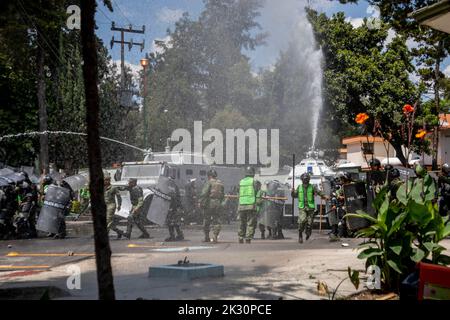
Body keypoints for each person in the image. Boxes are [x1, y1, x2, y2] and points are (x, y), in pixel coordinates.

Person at [292, 173, 327, 244]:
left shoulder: (312, 187)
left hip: (310, 208)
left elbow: (319, 192)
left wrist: (324, 196)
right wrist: (292, 192)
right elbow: (294, 196)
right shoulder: (299, 187)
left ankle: (308, 233)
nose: (305, 180)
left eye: (306, 179)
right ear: (302, 180)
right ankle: (300, 235)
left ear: (308, 180)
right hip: (302, 207)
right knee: (302, 221)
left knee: (310, 223)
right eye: (304, 179)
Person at [199, 169, 225, 243]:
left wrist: (201, 202)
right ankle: (215, 236)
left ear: (209, 176)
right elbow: (222, 195)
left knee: (206, 220)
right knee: (216, 220)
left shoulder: (209, 183)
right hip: (218, 203)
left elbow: (204, 193)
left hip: (209, 203)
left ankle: (207, 237)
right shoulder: (220, 183)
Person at [237, 167, 260, 244]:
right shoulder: (254, 182)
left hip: (242, 204)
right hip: (250, 204)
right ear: (253, 174)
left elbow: (237, 191)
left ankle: (240, 237)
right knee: (250, 222)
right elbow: (257, 190)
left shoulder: (241, 182)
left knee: (242, 222)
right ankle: (248, 238)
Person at [104, 172, 126, 239]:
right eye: (105, 180)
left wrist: (119, 205)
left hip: (111, 205)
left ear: (109, 181)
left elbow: (119, 197)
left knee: (108, 220)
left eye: (107, 180)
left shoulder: (113, 188)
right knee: (109, 223)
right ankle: (120, 232)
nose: (106, 181)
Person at [165, 178, 185, 242]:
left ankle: (172, 236)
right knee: (176, 222)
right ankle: (180, 235)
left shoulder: (171, 188)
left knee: (170, 223)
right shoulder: (175, 186)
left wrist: (171, 207)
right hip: (176, 207)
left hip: (173, 207)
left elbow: (172, 198)